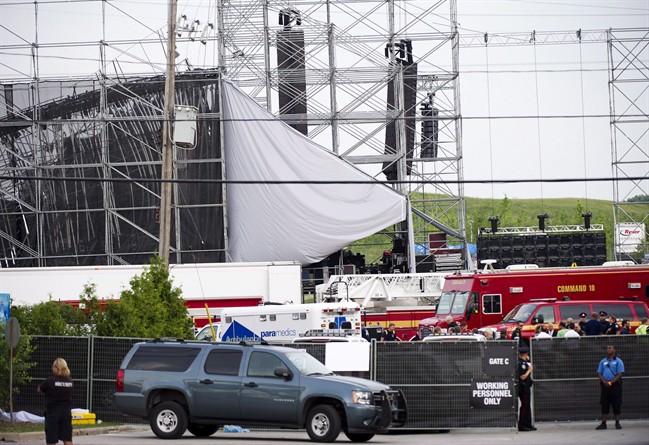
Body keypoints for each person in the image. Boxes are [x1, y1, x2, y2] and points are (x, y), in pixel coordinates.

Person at [38, 357, 74, 445]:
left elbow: (40, 389)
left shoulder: (50, 381)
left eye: (53, 366)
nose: (52, 368)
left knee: (51, 440)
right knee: (67, 438)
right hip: (66, 413)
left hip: (53, 413)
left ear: (57, 368)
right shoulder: (70, 381)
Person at [596, 344, 624, 430]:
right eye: (607, 348)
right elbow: (599, 372)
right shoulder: (603, 361)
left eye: (610, 348)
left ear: (614, 350)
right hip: (604, 386)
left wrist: (611, 382)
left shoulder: (618, 361)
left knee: (616, 404)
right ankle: (603, 423)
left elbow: (620, 373)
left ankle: (617, 423)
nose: (608, 350)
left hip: (615, 386)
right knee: (604, 404)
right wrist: (604, 381)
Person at [516, 346, 536, 432]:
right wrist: (529, 370)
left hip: (526, 387)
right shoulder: (521, 364)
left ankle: (528, 424)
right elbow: (522, 376)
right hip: (523, 387)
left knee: (527, 406)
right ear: (526, 354)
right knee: (524, 406)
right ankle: (522, 425)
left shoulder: (525, 362)